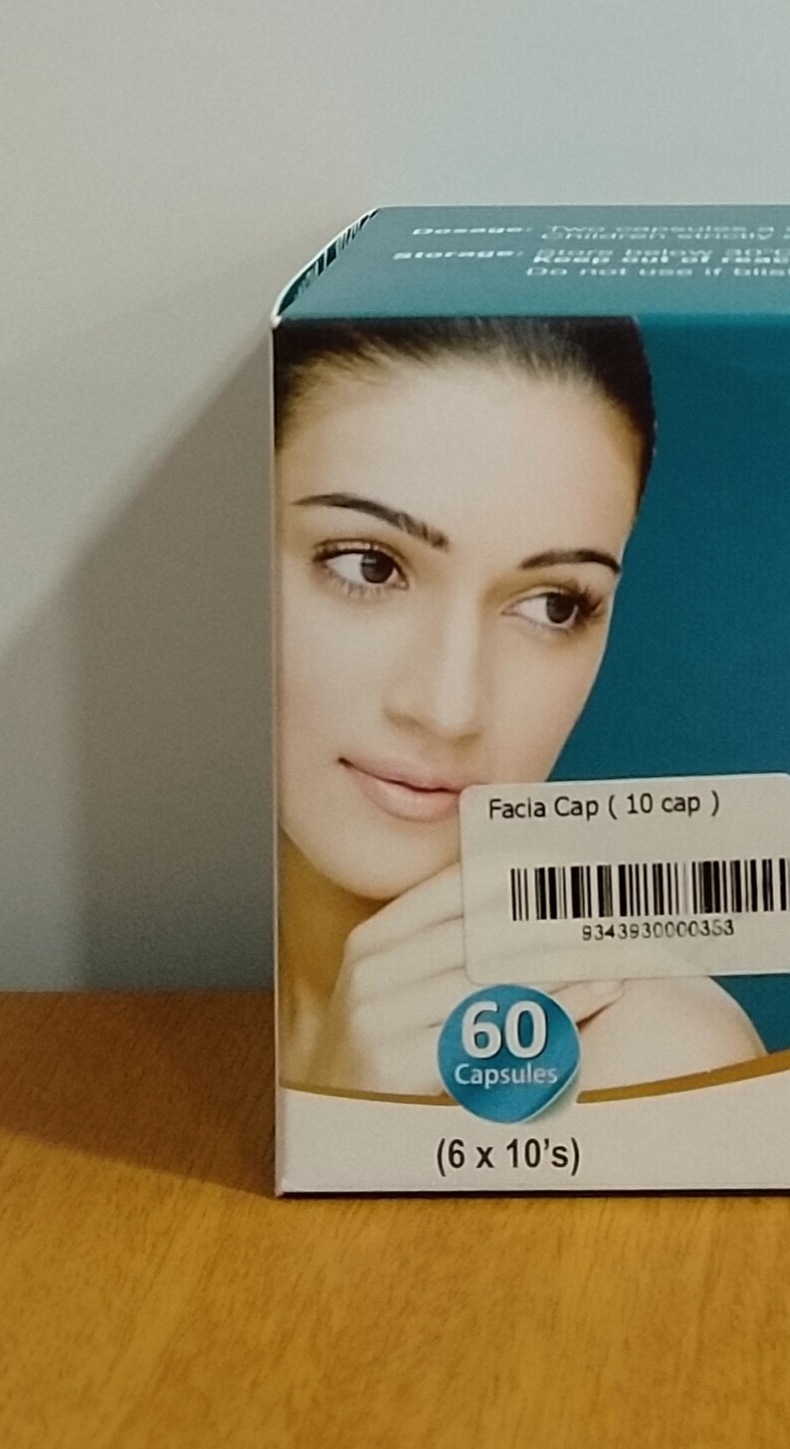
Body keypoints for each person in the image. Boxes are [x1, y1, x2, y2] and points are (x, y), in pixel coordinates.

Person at [274, 314, 764, 1096]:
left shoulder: (643, 1057)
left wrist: (370, 1137)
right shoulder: (179, 1011)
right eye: (369, 566)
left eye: (553, 606)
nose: (449, 709)